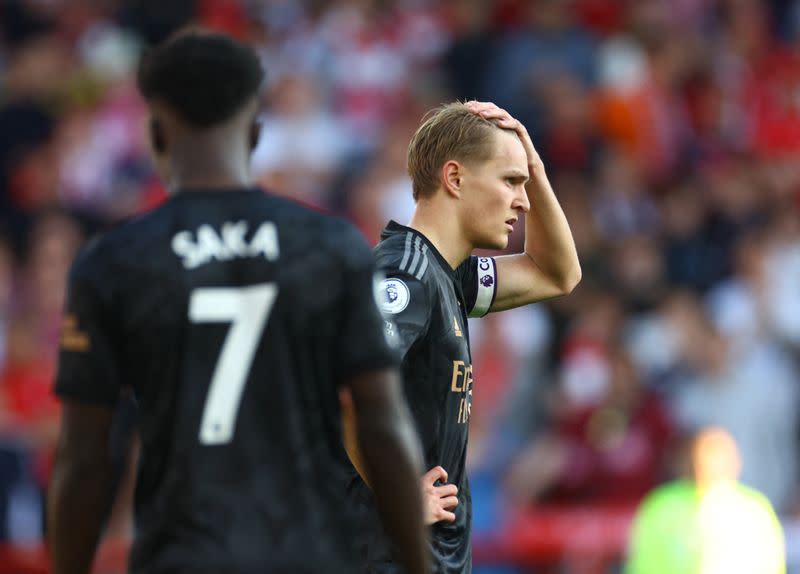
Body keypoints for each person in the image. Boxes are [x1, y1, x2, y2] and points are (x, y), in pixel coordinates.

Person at [47, 29, 428, 574]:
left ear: (156, 133)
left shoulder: (114, 263)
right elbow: (383, 425)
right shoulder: (330, 247)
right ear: (254, 132)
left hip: (182, 557)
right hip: (311, 555)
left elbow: (83, 460)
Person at [343, 101, 581, 572]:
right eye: (510, 181)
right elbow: (345, 384)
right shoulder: (406, 275)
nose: (524, 200)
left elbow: (558, 274)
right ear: (454, 178)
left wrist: (532, 163)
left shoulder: (451, 278)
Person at [624, 427, 785, 574]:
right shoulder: (661, 504)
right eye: (704, 455)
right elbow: (643, 564)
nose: (709, 463)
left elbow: (771, 565)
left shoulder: (754, 508)